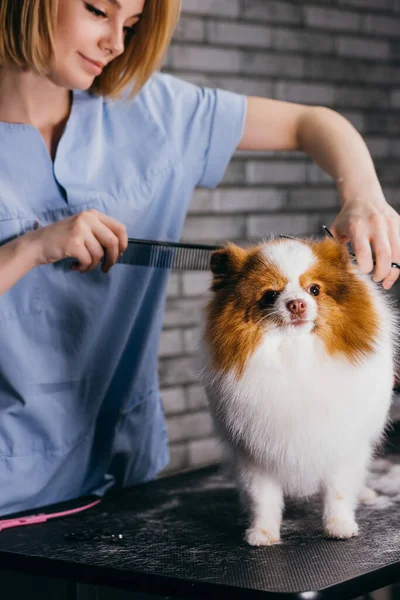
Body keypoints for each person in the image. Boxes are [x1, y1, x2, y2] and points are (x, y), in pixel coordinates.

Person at [0, 0, 398, 516]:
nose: (117, 44)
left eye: (132, 24)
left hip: (122, 475)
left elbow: (311, 123)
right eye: (99, 10)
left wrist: (363, 193)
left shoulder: (157, 112)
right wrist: (28, 248)